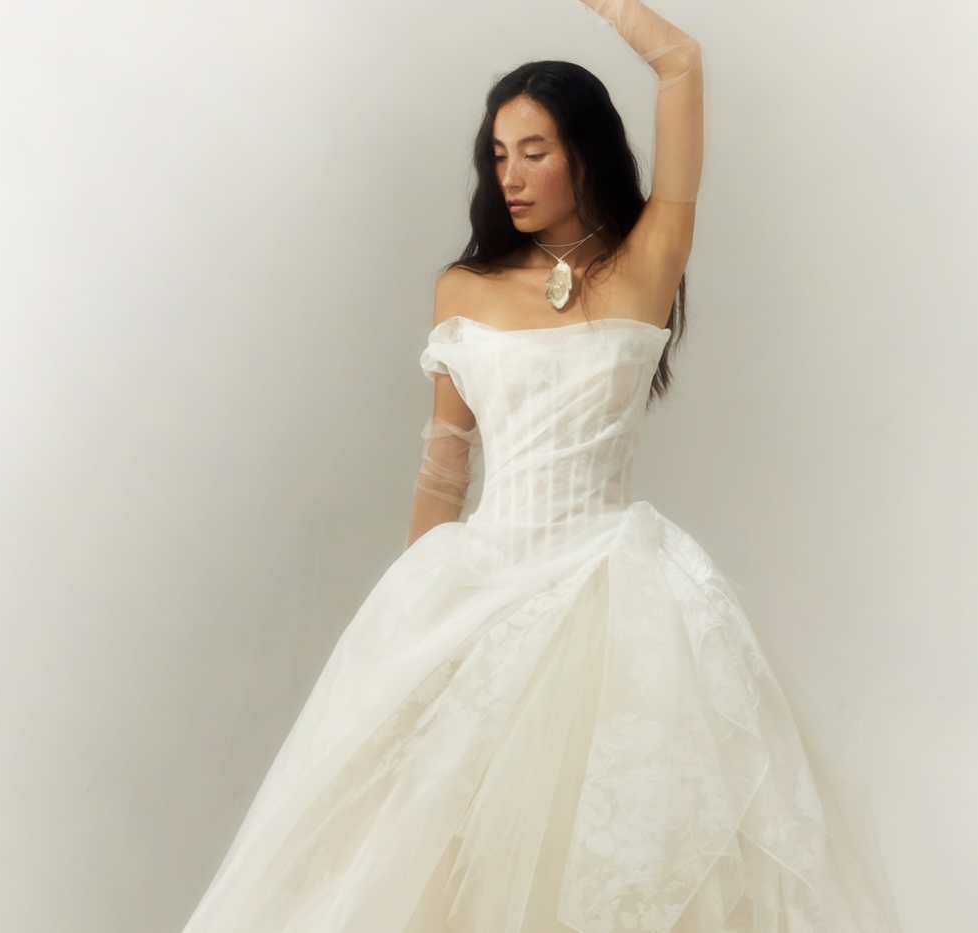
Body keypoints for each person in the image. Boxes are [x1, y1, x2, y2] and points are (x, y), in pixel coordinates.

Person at [180, 2, 901, 931]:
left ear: (586, 157)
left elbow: (682, 63)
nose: (509, 175)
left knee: (613, 858)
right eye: (497, 155)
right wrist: (416, 625)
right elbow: (443, 476)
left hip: (615, 600)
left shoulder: (646, 264)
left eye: (534, 151)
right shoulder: (464, 289)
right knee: (435, 861)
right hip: (486, 589)